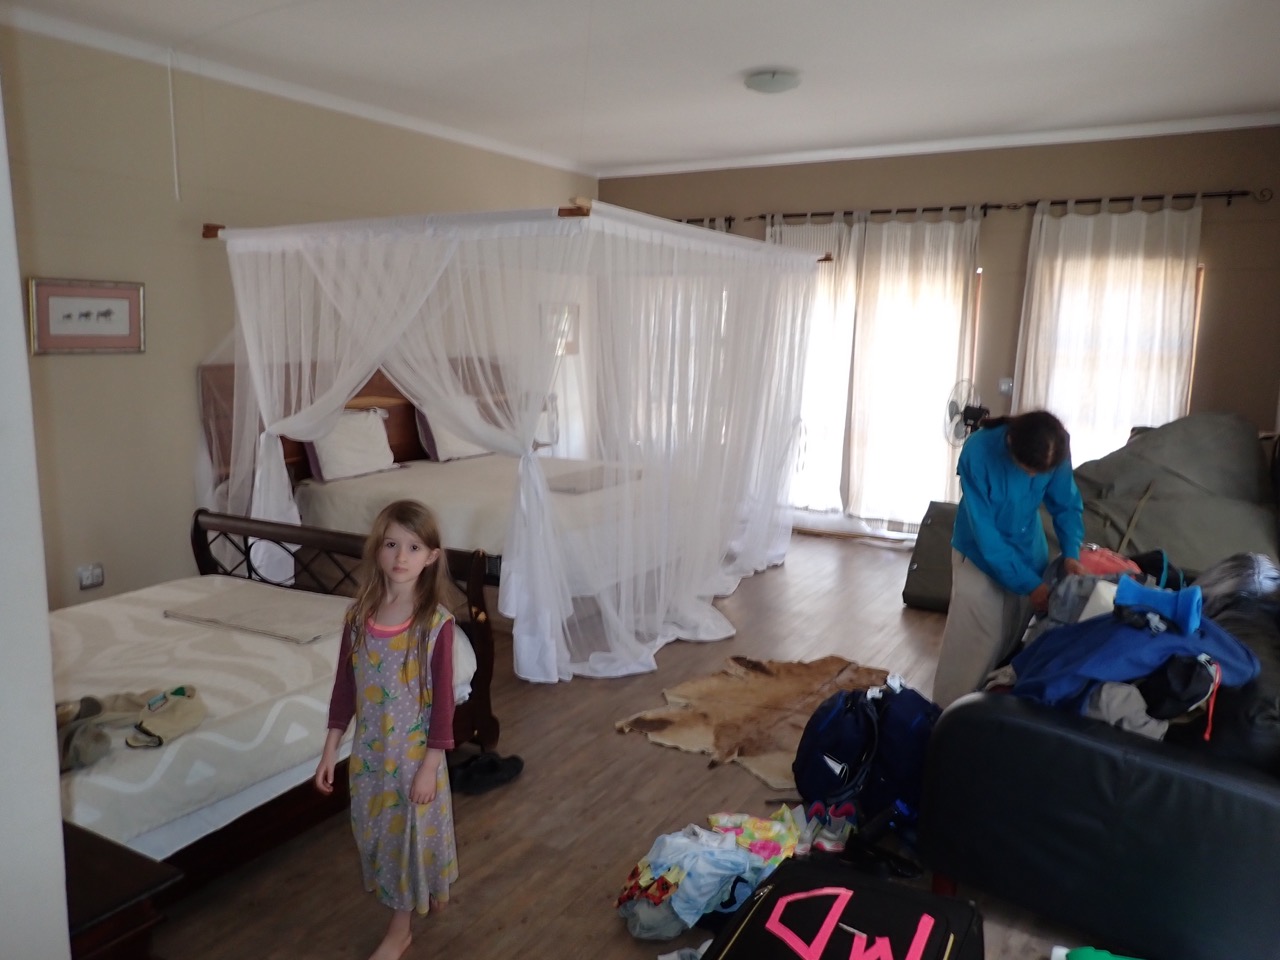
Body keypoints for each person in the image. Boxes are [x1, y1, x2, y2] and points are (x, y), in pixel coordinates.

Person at [315, 499, 458, 960]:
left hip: (414, 760)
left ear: (431, 556)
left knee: (406, 840)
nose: (401, 557)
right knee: (377, 834)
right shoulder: (358, 616)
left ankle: (400, 929)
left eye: (413, 547)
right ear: (377, 549)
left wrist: (430, 766)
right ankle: (426, 888)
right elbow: (345, 688)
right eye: (392, 544)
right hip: (370, 758)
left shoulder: (435, 625)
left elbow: (443, 707)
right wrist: (330, 748)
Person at [931, 410, 1085, 709]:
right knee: (975, 644)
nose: (1033, 477)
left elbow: (1066, 505)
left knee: (1010, 640)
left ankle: (985, 714)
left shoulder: (1056, 448)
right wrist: (1030, 585)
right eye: (1028, 469)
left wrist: (1071, 553)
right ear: (1011, 442)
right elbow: (987, 537)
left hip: (1029, 551)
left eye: (1040, 473)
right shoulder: (979, 451)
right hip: (979, 555)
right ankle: (944, 717)